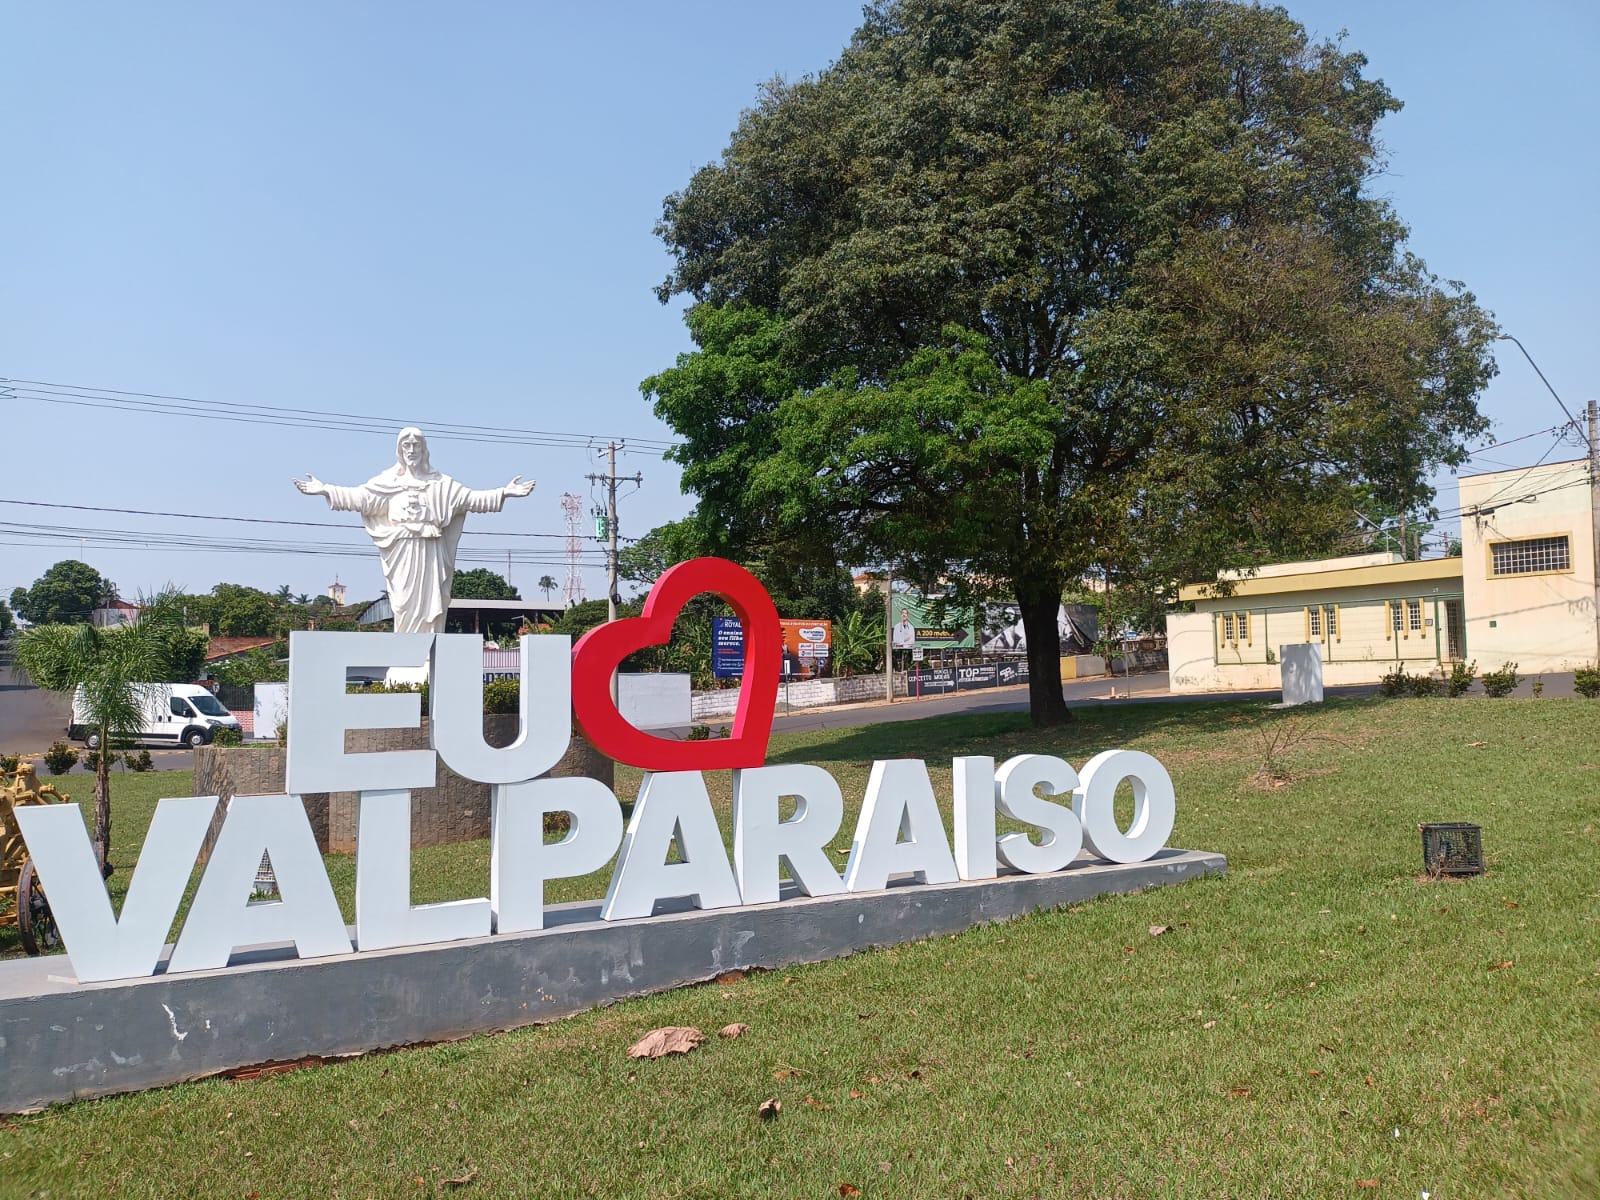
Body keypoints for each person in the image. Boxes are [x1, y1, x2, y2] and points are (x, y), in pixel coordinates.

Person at [295, 428, 534, 634]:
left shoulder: (441, 484)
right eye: (406, 445)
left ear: (424, 449)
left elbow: (471, 498)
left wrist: (504, 492)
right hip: (404, 551)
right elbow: (360, 497)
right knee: (404, 603)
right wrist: (325, 489)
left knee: (433, 600)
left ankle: (430, 651)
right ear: (399, 450)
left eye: (416, 445)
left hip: (431, 550)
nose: (411, 450)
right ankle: (408, 653)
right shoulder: (387, 482)